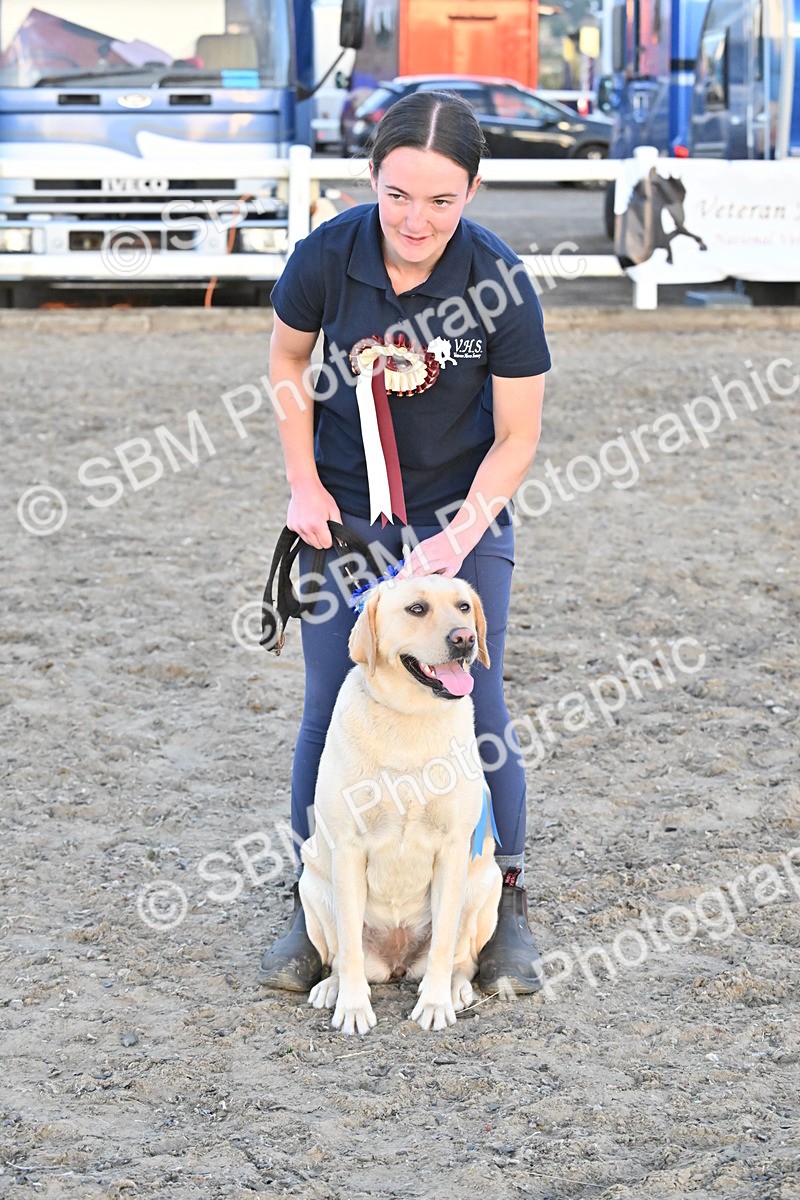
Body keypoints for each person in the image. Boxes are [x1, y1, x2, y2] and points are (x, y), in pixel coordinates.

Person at [259, 91, 550, 995]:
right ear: (371, 181)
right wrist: (305, 487)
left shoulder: (499, 280)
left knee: (479, 706)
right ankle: (315, 906)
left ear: (471, 193)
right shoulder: (327, 257)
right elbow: (284, 367)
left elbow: (519, 436)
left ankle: (502, 898)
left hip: (460, 513)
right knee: (329, 703)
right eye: (397, 195)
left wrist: (461, 535)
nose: (415, 220)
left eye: (441, 201)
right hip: (344, 515)